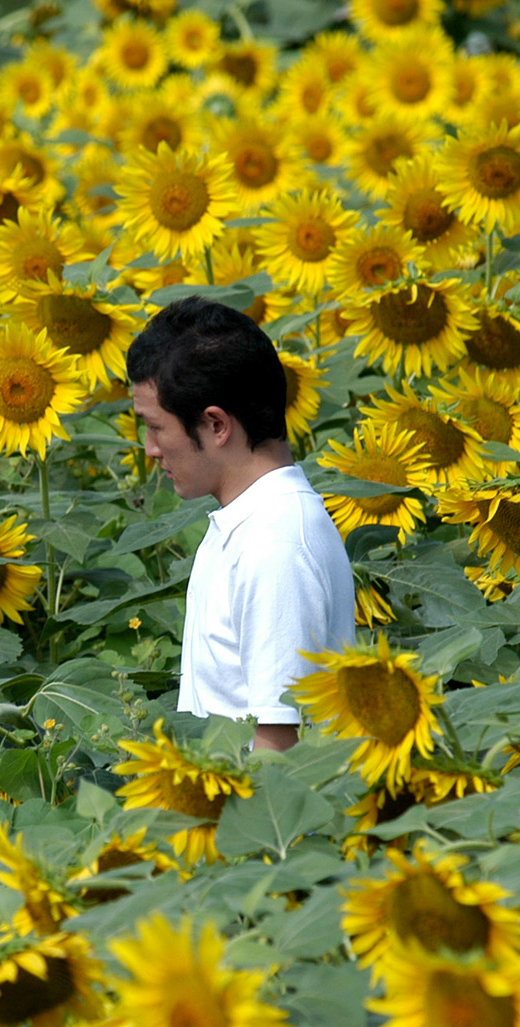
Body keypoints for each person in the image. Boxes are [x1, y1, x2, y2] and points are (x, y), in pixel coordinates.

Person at [127, 295, 354, 751]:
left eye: (155, 427)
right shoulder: (253, 524)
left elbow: (279, 746)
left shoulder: (275, 546)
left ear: (215, 425)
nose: (150, 449)